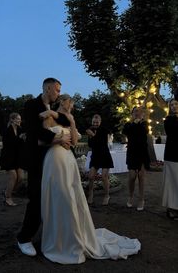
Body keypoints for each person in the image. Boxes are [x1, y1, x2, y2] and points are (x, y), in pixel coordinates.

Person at [41, 95, 141, 264]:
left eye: (72, 105)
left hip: (67, 160)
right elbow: (42, 140)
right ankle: (58, 238)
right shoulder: (49, 117)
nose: (71, 106)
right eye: (69, 103)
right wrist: (58, 139)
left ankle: (73, 236)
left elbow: (73, 142)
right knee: (60, 197)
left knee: (71, 197)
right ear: (62, 103)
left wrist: (72, 123)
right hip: (54, 160)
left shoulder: (69, 119)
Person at [16, 78, 71, 256]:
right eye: (56, 90)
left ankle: (49, 234)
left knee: (53, 198)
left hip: (52, 161)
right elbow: (34, 131)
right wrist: (58, 139)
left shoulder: (53, 109)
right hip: (36, 161)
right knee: (36, 199)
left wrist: (54, 115)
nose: (58, 93)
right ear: (47, 88)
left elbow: (66, 120)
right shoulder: (31, 105)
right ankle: (24, 238)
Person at [122, 107, 150, 211]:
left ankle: (141, 199)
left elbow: (144, 132)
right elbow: (126, 132)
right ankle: (130, 196)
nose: (137, 113)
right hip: (132, 153)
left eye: (139, 111)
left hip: (142, 153)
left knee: (141, 177)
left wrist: (138, 124)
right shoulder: (128, 124)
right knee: (132, 176)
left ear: (142, 114)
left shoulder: (145, 124)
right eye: (135, 111)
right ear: (132, 113)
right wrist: (134, 123)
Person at [86, 114, 114, 205]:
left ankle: (107, 195)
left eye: (97, 122)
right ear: (92, 122)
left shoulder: (104, 130)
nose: (95, 124)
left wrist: (93, 136)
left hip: (105, 156)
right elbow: (90, 145)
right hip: (95, 157)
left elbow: (102, 142)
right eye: (94, 122)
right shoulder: (90, 130)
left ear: (100, 122)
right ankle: (91, 194)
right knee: (90, 176)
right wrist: (90, 136)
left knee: (104, 176)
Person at [0, 113, 26, 206]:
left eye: (20, 119)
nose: (19, 121)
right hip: (8, 157)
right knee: (13, 176)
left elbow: (21, 144)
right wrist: (20, 138)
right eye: (18, 119)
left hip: (17, 158)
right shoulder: (7, 130)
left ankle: (8, 192)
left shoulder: (20, 129)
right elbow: (8, 145)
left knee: (21, 178)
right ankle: (8, 198)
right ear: (12, 119)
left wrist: (24, 139)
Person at [162, 98, 178, 220]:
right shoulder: (168, 120)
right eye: (171, 105)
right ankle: (171, 209)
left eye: (176, 104)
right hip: (172, 154)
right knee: (171, 182)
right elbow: (173, 133)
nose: (174, 106)